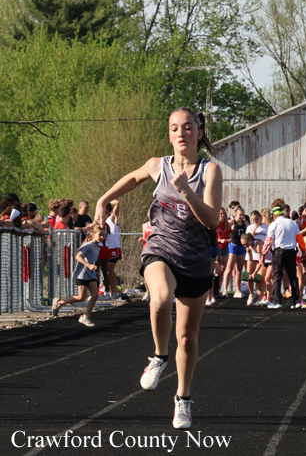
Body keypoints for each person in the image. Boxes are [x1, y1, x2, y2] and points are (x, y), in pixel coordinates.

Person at [94, 107, 221, 429]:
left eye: (188, 127)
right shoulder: (157, 165)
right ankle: (158, 356)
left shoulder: (210, 171)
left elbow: (211, 220)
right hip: (161, 248)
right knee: (160, 299)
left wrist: (186, 191)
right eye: (175, 128)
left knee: (188, 338)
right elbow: (132, 179)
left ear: (199, 132)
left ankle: (183, 399)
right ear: (169, 134)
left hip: (195, 259)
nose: (182, 133)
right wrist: (102, 201)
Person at [52, 224, 105, 327]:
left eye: (104, 235)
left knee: (95, 295)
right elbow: (78, 256)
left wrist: (94, 270)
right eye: (100, 235)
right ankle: (59, 302)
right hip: (82, 274)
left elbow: (92, 259)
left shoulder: (97, 247)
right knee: (81, 297)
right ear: (93, 234)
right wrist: (88, 265)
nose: (102, 237)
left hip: (91, 275)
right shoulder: (88, 245)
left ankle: (85, 316)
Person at [264, 205, 306, 309]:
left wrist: (263, 253)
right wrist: (304, 250)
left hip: (279, 252)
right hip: (291, 252)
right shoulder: (293, 223)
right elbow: (300, 239)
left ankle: (276, 301)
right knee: (293, 276)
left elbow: (269, 240)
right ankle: (297, 301)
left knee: (277, 276)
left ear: (274, 216)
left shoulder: (274, 224)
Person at [98, 200, 122, 301]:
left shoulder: (111, 218)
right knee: (107, 270)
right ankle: (111, 291)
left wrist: (110, 200)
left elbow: (116, 207)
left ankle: (114, 291)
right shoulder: (101, 221)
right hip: (107, 247)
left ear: (106, 210)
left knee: (110, 270)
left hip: (113, 247)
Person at [223, 208, 248, 298]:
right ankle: (225, 290)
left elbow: (249, 234)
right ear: (235, 215)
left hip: (241, 248)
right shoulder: (232, 222)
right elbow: (223, 228)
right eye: (240, 215)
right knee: (229, 269)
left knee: (239, 270)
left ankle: (237, 290)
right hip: (233, 246)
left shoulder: (245, 223)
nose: (241, 217)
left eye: (243, 215)